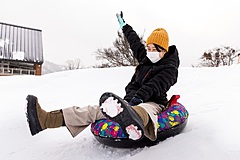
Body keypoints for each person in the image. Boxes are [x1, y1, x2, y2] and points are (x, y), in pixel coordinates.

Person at [26, 11, 180, 142]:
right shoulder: (146, 59)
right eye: (148, 48)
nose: (150, 51)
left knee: (143, 109)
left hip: (152, 103)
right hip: (129, 102)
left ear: (163, 51)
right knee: (94, 110)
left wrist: (136, 100)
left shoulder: (170, 68)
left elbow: (154, 85)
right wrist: (124, 26)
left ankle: (134, 121)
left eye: (154, 49)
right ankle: (45, 120)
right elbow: (134, 42)